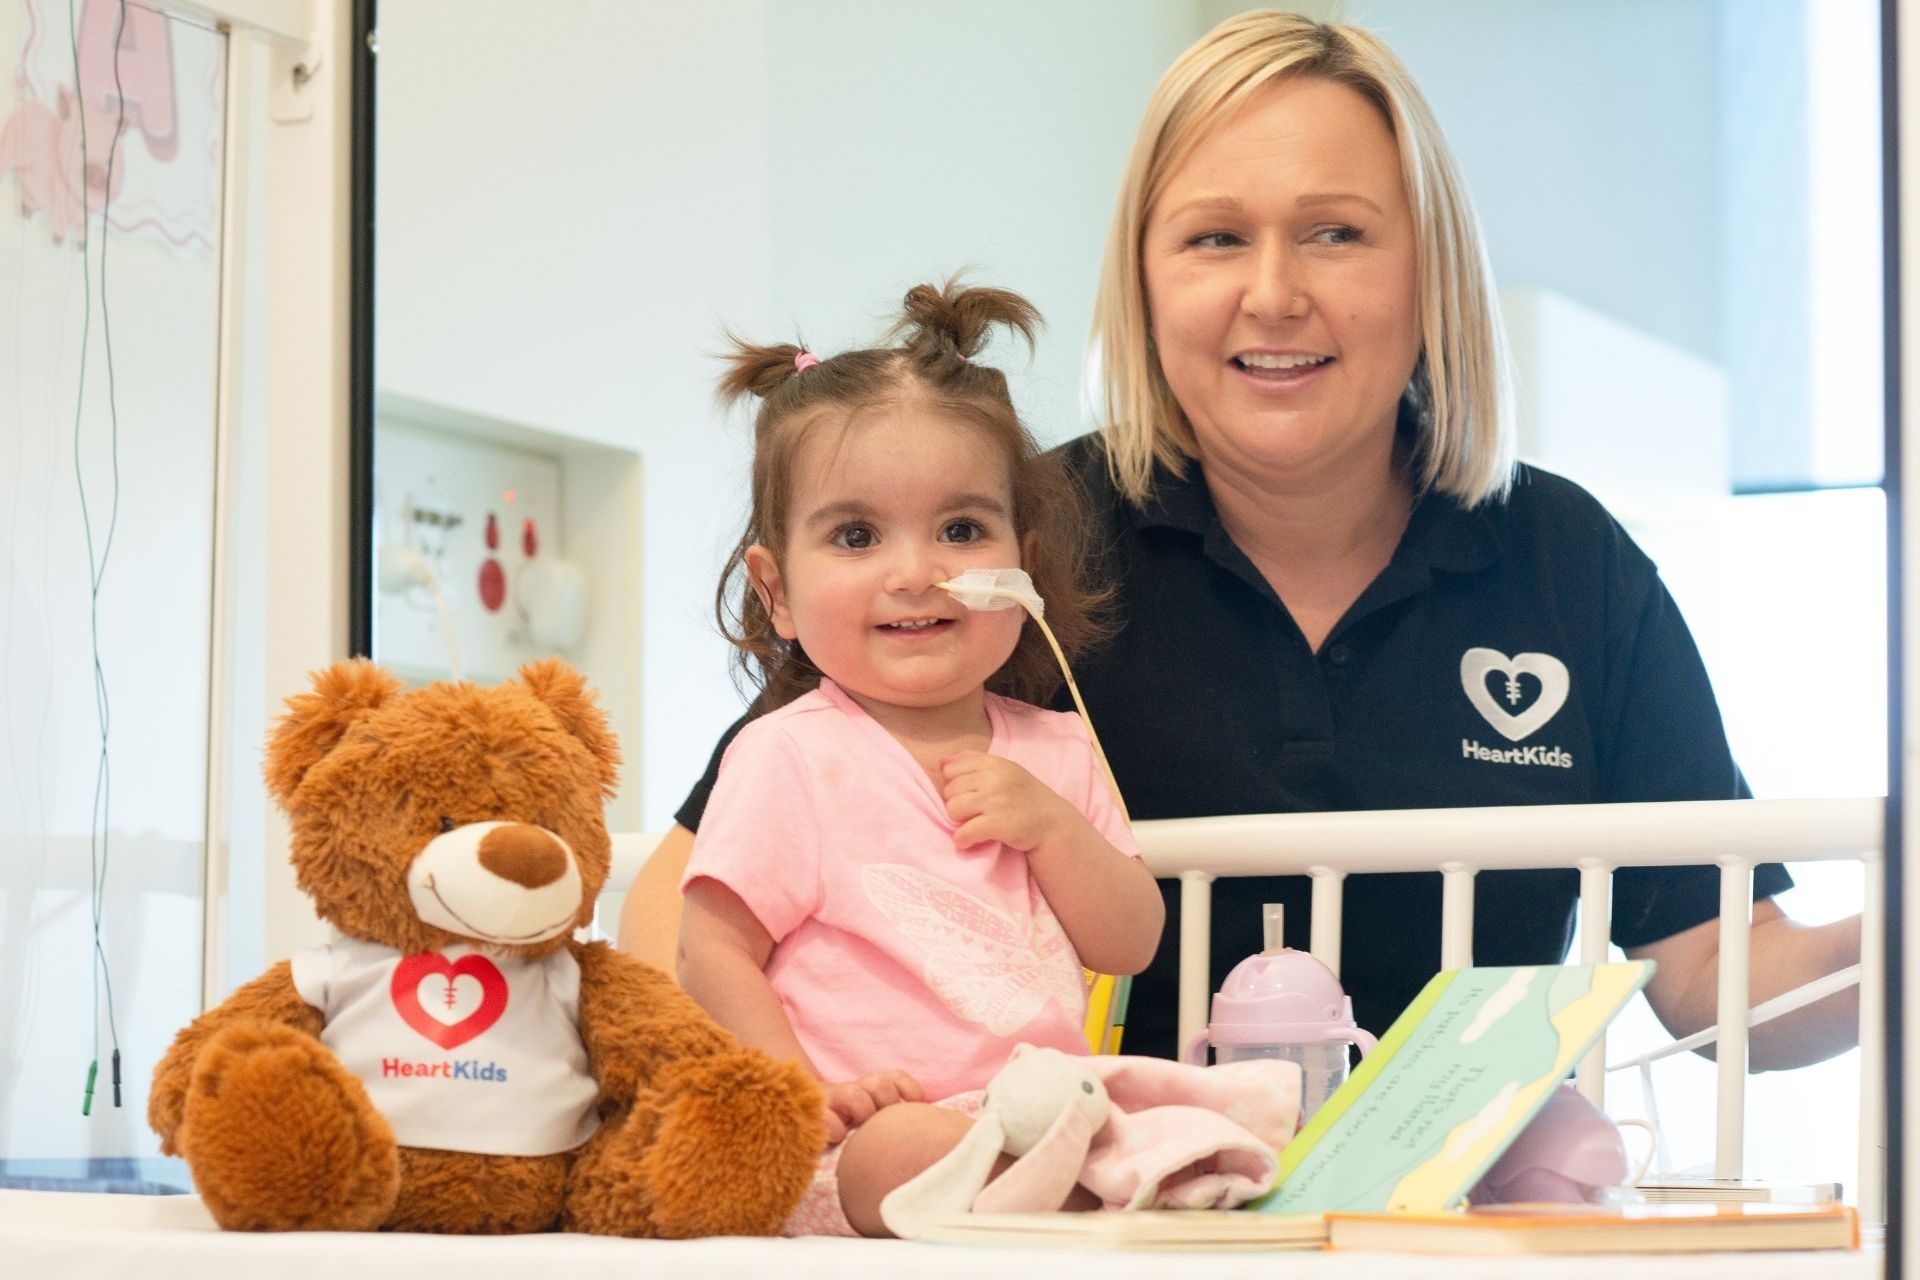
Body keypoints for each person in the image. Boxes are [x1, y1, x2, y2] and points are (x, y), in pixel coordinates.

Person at [629, 10, 1859, 1074]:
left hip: (1449, 1239)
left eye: (1337, 232)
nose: (1274, 293)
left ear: (1427, 272)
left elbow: (1711, 964)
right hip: (1076, 1218)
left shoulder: (1566, 564)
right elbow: (676, 911)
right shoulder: (1017, 554)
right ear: (1147, 277)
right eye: (1216, 238)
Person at [673, 281, 1165, 1238]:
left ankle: (1092, 1174)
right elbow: (711, 949)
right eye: (856, 536)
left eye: (960, 530)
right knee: (900, 1148)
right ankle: (1075, 1186)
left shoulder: (1058, 750)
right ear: (776, 590)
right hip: (859, 1136)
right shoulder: (788, 757)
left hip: (1037, 1114)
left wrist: (1054, 829)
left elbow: (1131, 942)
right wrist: (795, 1093)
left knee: (1168, 1098)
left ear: (1018, 562)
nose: (916, 571)